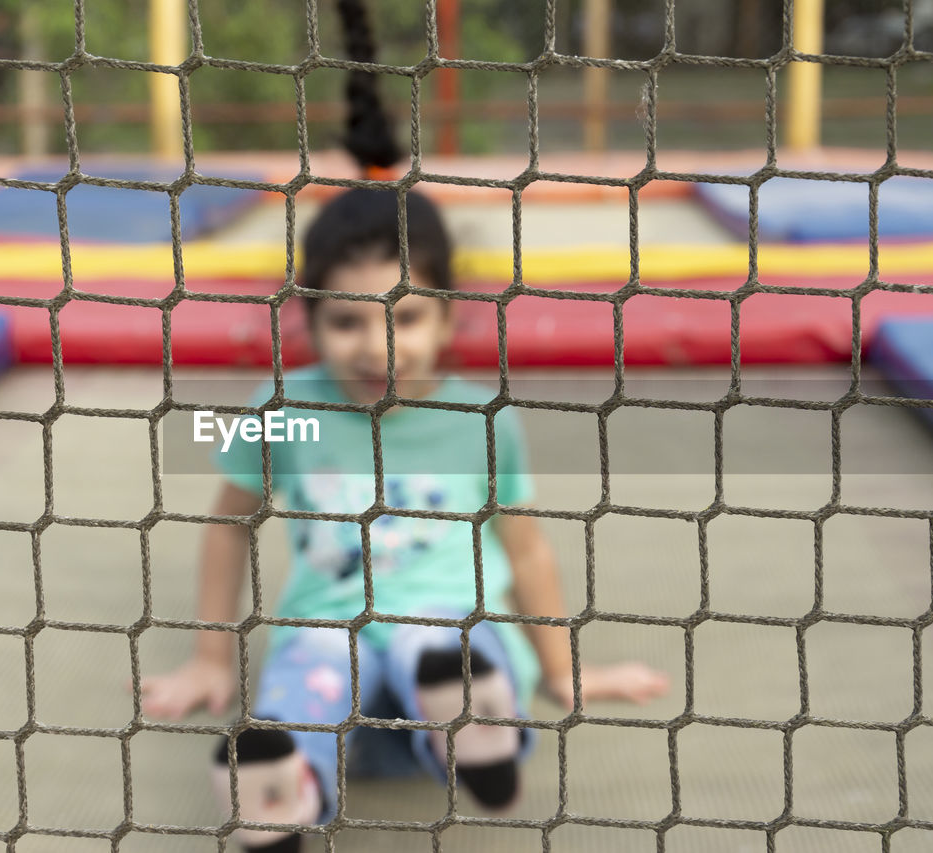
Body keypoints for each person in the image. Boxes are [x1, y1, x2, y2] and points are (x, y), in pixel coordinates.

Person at [138, 3, 669, 850]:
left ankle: (473, 731)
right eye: (346, 322)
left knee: (447, 652)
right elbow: (229, 524)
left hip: (455, 628)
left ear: (449, 316)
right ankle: (282, 786)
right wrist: (210, 658)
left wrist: (567, 672)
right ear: (307, 320)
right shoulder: (288, 413)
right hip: (328, 630)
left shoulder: (478, 418)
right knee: (305, 686)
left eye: (406, 316)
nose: (376, 344)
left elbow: (525, 546)